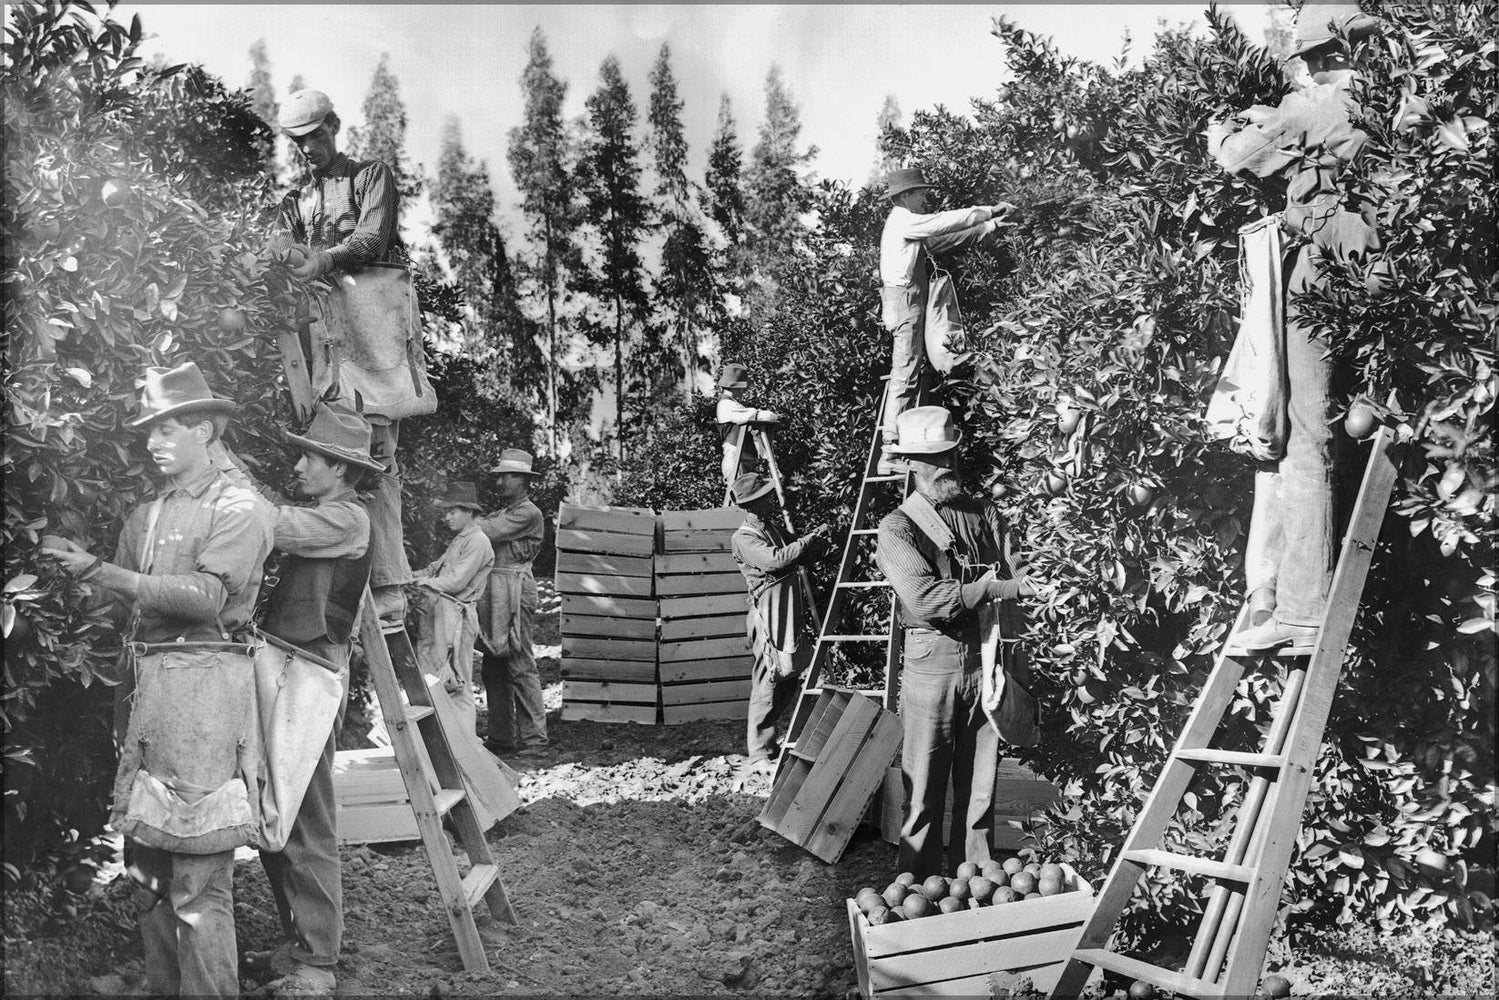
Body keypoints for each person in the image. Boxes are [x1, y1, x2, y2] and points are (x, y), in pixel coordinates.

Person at [44, 362, 274, 997]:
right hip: (143, 687)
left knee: (199, 864)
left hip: (202, 688)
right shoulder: (148, 513)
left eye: (164, 428)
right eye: (148, 429)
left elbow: (203, 597)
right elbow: (123, 598)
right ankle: (163, 985)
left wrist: (100, 572)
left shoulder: (242, 507)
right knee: (144, 852)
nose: (150, 441)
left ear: (204, 427)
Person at [1207, 4, 1383, 652]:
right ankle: (1287, 599)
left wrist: (1221, 128)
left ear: (1313, 59)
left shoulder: (1314, 106)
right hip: (1380, 277)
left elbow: (1237, 155)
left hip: (1318, 277)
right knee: (1337, 428)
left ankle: (1299, 611)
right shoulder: (1392, 104)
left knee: (1301, 446)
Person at [241, 402, 381, 996]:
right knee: (278, 809)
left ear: (341, 470)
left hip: (312, 676)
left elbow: (273, 527)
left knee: (308, 817)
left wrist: (225, 483)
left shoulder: (347, 519)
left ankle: (319, 959)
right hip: (287, 669)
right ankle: (300, 941)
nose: (298, 466)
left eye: (309, 457)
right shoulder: (330, 511)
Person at [874, 406, 1045, 877]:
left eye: (950, 452)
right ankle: (920, 884)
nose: (947, 464)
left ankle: (976, 882)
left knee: (981, 783)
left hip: (986, 656)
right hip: (933, 663)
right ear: (910, 463)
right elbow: (927, 599)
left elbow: (1020, 570)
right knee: (925, 788)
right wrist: (996, 588)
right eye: (934, 458)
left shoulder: (982, 511)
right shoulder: (898, 527)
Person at [275, 88, 413, 632]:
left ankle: (389, 585)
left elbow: (373, 240)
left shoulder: (368, 176)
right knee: (328, 450)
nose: (309, 149)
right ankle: (339, 583)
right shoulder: (295, 201)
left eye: (316, 136)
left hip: (369, 331)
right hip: (322, 340)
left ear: (334, 125)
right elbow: (287, 257)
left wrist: (320, 259)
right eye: (298, 142)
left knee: (376, 456)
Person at [878, 167, 1012, 474]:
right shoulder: (904, 219)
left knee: (909, 371)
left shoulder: (907, 224)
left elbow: (939, 242)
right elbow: (942, 223)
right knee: (905, 374)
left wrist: (989, 226)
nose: (926, 198)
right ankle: (890, 452)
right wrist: (986, 211)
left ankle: (896, 445)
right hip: (905, 302)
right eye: (921, 193)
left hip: (907, 300)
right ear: (906, 196)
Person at [729, 472, 831, 772]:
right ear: (752, 504)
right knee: (768, 679)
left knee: (789, 676)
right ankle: (759, 751)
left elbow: (798, 556)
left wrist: (819, 544)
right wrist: (806, 540)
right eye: (764, 497)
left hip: (788, 611)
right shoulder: (744, 538)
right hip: (767, 615)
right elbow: (778, 559)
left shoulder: (772, 528)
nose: (771, 500)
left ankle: (770, 742)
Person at [476, 449, 548, 759]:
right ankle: (501, 737)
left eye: (508, 476)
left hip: (515, 588)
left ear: (523, 480)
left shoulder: (527, 512)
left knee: (519, 661)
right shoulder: (508, 510)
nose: (502, 481)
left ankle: (534, 740)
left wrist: (469, 518)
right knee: (494, 665)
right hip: (496, 587)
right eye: (500, 476)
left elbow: (484, 531)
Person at [412, 482, 494, 734]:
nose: (446, 517)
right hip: (442, 614)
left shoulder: (478, 541)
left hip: (457, 617)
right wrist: (409, 577)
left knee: (457, 682)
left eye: (452, 511)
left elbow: (456, 581)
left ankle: (467, 747)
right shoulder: (460, 540)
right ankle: (447, 743)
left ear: (469, 512)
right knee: (436, 678)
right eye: (445, 512)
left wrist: (421, 582)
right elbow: (436, 568)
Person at [715, 363, 781, 487]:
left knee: (750, 499)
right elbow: (754, 415)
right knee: (743, 497)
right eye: (742, 387)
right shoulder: (726, 405)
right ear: (734, 387)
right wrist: (773, 415)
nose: (743, 390)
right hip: (736, 461)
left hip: (744, 460)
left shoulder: (733, 404)